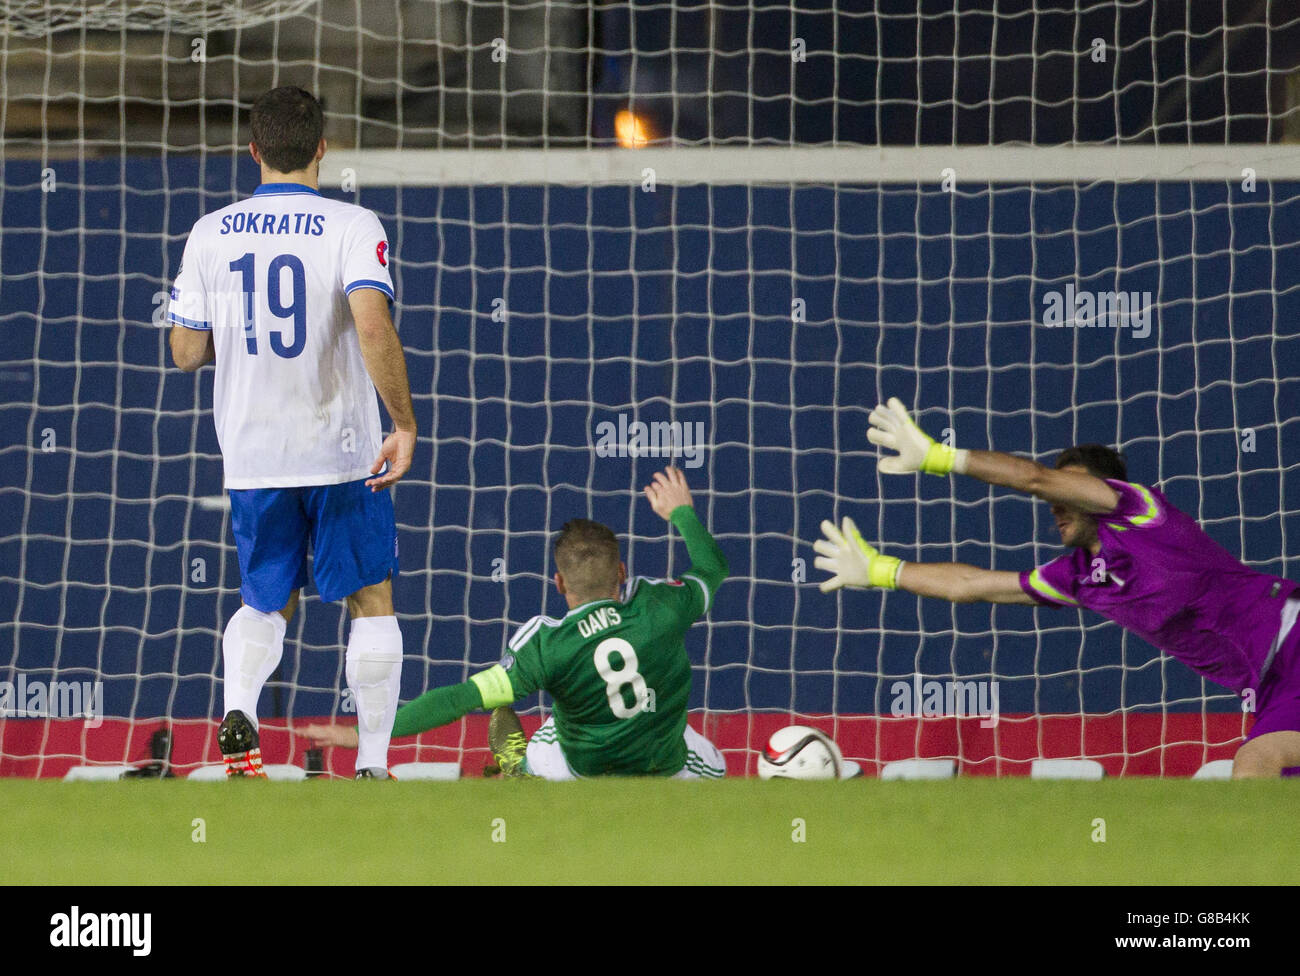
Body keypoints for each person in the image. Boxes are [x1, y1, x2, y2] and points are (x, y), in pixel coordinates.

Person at [813, 397, 1300, 779]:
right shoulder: (1080, 579)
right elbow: (973, 586)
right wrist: (883, 571)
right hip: (1271, 686)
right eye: (1056, 498)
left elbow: (1034, 479)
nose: (1055, 505)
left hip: (1293, 634)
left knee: (1256, 765)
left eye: (1069, 493)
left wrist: (941, 457)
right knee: (1261, 766)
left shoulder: (1142, 514)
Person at [168, 86, 416, 779]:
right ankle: (370, 763)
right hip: (342, 452)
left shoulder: (209, 233)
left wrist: (240, 340)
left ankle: (239, 710)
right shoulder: (352, 223)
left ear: (253, 151)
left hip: (254, 456)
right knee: (370, 596)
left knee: (265, 599)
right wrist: (403, 422)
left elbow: (185, 351)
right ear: (321, 149)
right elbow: (372, 326)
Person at [303, 467, 728, 780]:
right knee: (716, 767)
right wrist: (682, 513)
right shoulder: (663, 606)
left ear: (559, 582)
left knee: (521, 718)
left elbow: (461, 698)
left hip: (579, 772)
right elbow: (712, 567)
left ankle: (520, 770)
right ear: (621, 572)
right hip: (666, 767)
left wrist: (369, 734)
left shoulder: (545, 643)